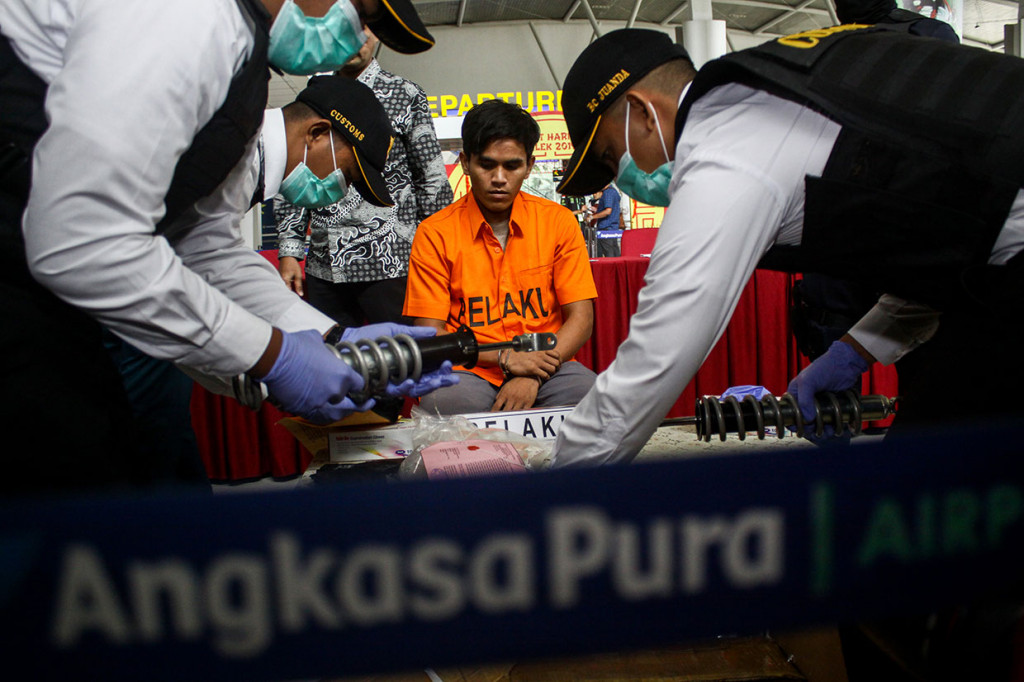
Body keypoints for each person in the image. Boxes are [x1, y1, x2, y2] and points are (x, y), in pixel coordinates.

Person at [0, 0, 450, 495]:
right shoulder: (190, 18)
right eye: (360, 9)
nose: (358, 34)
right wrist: (274, 356)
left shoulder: (240, 60)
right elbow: (83, 237)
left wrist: (332, 341)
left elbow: (204, 247)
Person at [549, 26, 1024, 467]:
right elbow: (941, 239)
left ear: (643, 112)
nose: (622, 179)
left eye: (612, 156)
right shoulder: (773, 90)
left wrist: (548, 492)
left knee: (929, 490)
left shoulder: (726, 148)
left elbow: (658, 352)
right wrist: (856, 349)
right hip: (993, 266)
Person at [404, 99, 599, 414]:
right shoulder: (434, 233)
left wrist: (533, 372)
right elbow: (431, 334)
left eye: (512, 166)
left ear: (529, 166)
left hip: (551, 365)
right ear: (466, 163)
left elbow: (581, 318)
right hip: (469, 369)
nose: (498, 178)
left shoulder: (558, 222)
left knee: (594, 401)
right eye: (487, 164)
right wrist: (507, 358)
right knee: (442, 408)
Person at [791, 0, 959, 362]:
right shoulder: (819, 46)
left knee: (924, 351)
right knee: (827, 350)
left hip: (906, 217)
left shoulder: (928, 35)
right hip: (841, 219)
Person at [275, 26, 453, 328]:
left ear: (378, 34)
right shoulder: (313, 97)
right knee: (335, 361)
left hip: (393, 261)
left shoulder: (406, 95)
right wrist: (289, 250)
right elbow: (295, 169)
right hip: (324, 265)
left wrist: (440, 249)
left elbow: (431, 178)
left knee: (404, 358)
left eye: (364, 29)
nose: (355, 39)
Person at [589, 182, 622, 257]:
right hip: (613, 227)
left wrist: (592, 217)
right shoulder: (614, 191)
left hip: (606, 227)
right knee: (615, 251)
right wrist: (597, 210)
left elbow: (608, 211)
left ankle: (612, 268)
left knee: (609, 253)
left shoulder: (607, 193)